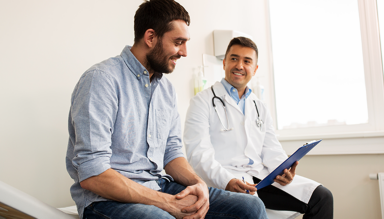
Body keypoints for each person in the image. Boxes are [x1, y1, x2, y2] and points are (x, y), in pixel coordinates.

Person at [65, 1, 268, 219]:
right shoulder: (101, 80)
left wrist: (198, 184)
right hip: (105, 201)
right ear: (150, 37)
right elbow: (93, 174)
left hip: (159, 185)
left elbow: (171, 152)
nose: (185, 52)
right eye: (178, 42)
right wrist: (166, 203)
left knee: (250, 208)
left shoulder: (166, 90)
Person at [184, 37, 334, 219]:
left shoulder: (259, 106)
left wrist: (284, 171)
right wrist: (227, 181)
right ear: (224, 63)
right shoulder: (201, 102)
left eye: (247, 61)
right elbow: (198, 155)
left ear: (254, 69)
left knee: (322, 197)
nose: (239, 65)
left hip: (260, 179)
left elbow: (271, 148)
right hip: (224, 181)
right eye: (234, 58)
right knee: (251, 206)